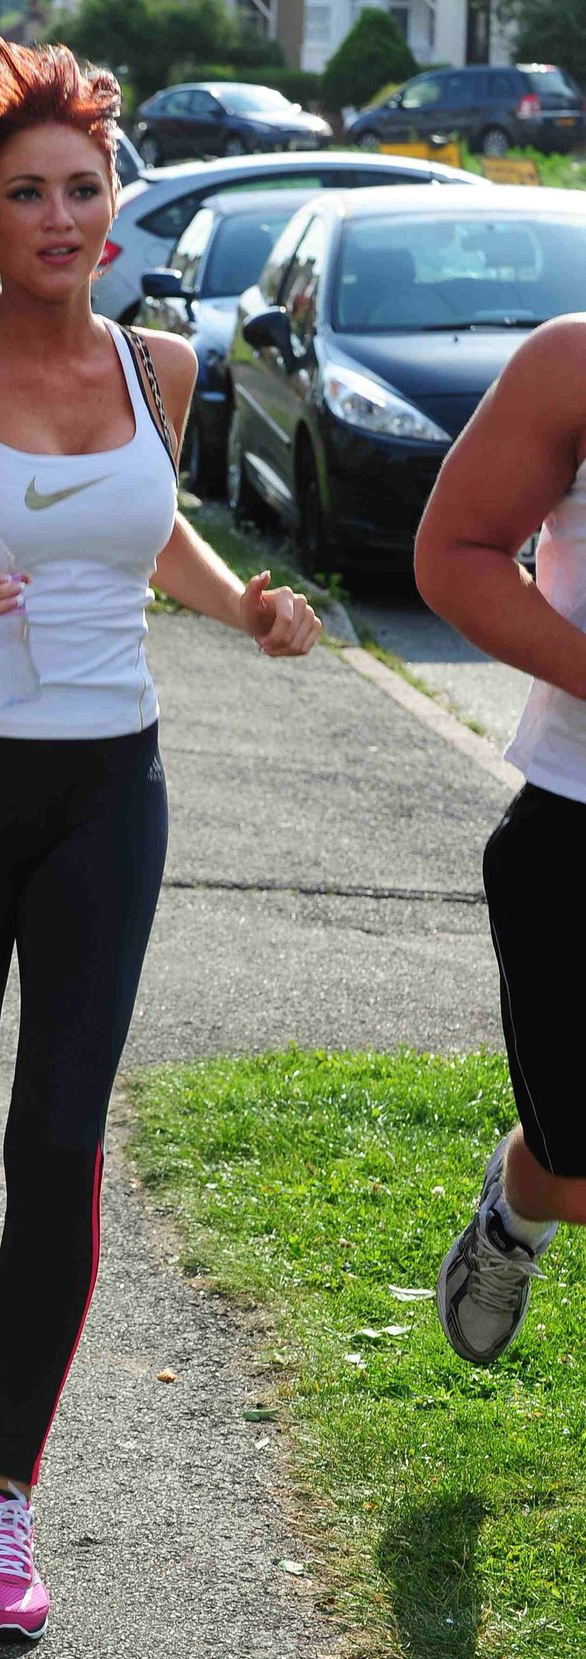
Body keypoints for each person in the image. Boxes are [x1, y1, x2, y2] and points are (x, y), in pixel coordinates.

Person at [0, 33, 321, 1642]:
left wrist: (244, 602)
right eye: (26, 193)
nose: (63, 217)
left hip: (111, 791)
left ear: (116, 203)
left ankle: (2, 1496)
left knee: (63, 1140)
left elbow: (147, 523)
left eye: (86, 189)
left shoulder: (160, 370)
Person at [415, 313, 586, 1367]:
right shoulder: (570, 361)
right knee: (572, 1173)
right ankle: (516, 1211)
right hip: (575, 823)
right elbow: (455, 552)